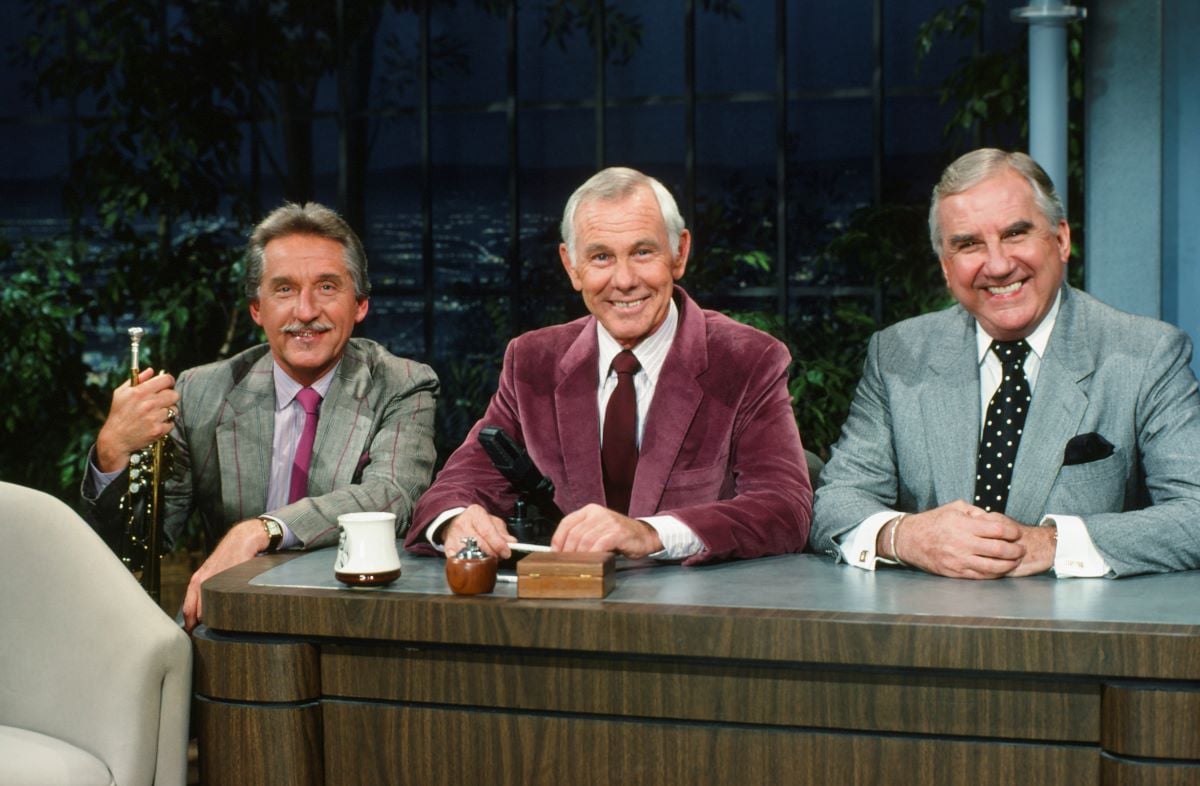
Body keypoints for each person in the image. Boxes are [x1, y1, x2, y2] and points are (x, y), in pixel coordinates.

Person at [812, 148, 1200, 579]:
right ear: (945, 266)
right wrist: (906, 536)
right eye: (968, 244)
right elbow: (836, 501)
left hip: (1080, 637)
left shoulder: (1146, 354)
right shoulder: (898, 353)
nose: (997, 265)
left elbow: (1195, 514)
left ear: (1061, 239)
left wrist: (1051, 544)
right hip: (926, 630)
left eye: (1015, 234)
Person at [405, 167, 811, 564]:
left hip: (697, 618)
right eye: (601, 257)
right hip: (565, 617)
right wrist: (456, 520)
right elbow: (457, 486)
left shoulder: (746, 359)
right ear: (571, 266)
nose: (624, 279)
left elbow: (784, 508)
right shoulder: (532, 361)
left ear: (679, 253)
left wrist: (651, 533)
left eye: (643, 252)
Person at [83, 202, 439, 629]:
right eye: (284, 290)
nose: (305, 311)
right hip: (231, 625)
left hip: (354, 625)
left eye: (327, 287)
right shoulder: (201, 392)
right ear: (257, 309)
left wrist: (260, 530)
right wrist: (112, 453)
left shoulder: (402, 384)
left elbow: (392, 496)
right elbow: (135, 548)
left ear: (360, 304)